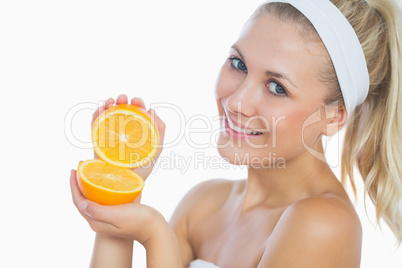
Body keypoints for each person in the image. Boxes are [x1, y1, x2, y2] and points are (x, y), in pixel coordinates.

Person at [70, 0, 402, 267]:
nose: (236, 101)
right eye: (239, 64)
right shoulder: (204, 203)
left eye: (276, 87)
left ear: (333, 116)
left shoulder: (324, 225)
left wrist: (154, 233)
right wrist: (118, 192)